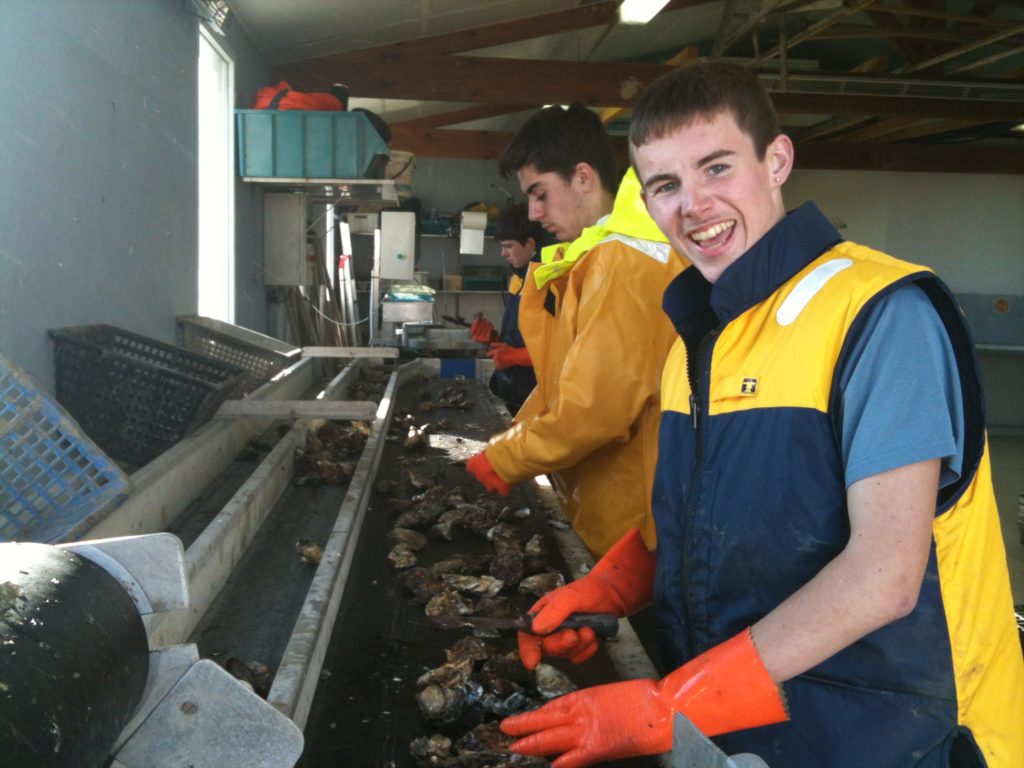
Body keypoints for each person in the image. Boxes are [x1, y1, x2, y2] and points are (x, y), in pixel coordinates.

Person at [500, 61, 1024, 768]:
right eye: (666, 185)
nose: (694, 206)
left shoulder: (879, 314)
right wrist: (618, 585)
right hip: (751, 731)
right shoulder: (696, 341)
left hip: (901, 739)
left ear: (776, 160)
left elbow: (885, 576)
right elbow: (712, 522)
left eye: (717, 169)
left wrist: (667, 706)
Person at [465, 103, 686, 557]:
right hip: (611, 511)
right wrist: (511, 439)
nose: (533, 211)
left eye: (540, 193)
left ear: (583, 177)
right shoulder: (592, 259)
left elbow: (595, 409)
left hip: (638, 528)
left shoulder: (624, 263)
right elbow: (563, 385)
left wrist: (507, 457)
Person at [468, 203, 548, 415]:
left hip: (539, 402)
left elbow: (563, 350)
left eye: (509, 246)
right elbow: (521, 339)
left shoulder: (549, 281)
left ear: (530, 243)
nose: (503, 253)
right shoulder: (518, 278)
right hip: (512, 393)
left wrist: (515, 357)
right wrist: (492, 339)